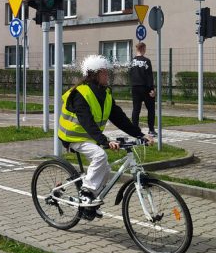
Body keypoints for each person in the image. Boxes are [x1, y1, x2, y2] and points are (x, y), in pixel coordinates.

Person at [58, 55, 154, 216]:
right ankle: (86, 193)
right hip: (73, 137)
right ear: (94, 74)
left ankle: (89, 206)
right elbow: (87, 121)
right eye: (104, 73)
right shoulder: (80, 93)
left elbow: (119, 118)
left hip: (89, 137)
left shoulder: (105, 93)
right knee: (100, 156)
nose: (107, 75)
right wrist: (105, 141)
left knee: (105, 169)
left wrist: (140, 134)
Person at [129, 42, 157, 136]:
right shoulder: (146, 61)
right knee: (151, 109)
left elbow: (130, 74)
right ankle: (151, 130)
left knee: (136, 109)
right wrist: (152, 89)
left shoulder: (131, 62)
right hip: (145, 88)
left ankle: (134, 129)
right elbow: (149, 76)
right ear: (143, 49)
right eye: (145, 49)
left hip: (135, 87)